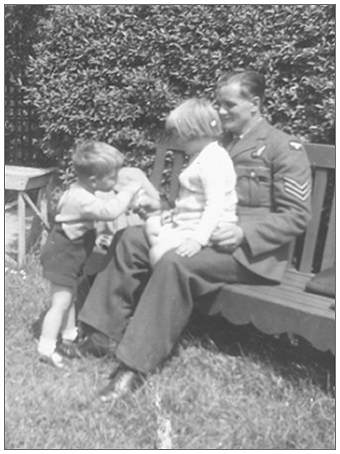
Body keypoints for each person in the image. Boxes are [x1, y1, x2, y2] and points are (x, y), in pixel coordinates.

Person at [77, 70, 312, 402]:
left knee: (175, 263)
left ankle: (133, 366)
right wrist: (162, 210)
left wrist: (244, 233)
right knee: (131, 238)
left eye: (230, 105)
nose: (221, 111)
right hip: (202, 232)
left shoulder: (282, 148)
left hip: (247, 252)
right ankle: (101, 332)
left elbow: (297, 215)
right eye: (219, 104)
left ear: (255, 104)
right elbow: (195, 200)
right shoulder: (214, 144)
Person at [38, 141, 142, 367]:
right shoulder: (80, 198)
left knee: (71, 297)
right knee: (61, 302)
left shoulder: (81, 190)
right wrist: (128, 192)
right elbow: (110, 211)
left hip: (69, 253)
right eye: (113, 177)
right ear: (95, 179)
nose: (116, 181)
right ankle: (46, 348)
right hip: (63, 256)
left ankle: (69, 336)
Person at [144, 97, 238, 266]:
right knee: (151, 223)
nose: (175, 141)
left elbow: (215, 204)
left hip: (204, 229)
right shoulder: (200, 155)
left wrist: (198, 240)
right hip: (186, 222)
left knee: (157, 253)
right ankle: (164, 249)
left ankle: (159, 278)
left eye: (177, 134)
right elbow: (193, 199)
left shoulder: (214, 160)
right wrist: (174, 214)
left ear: (193, 131)